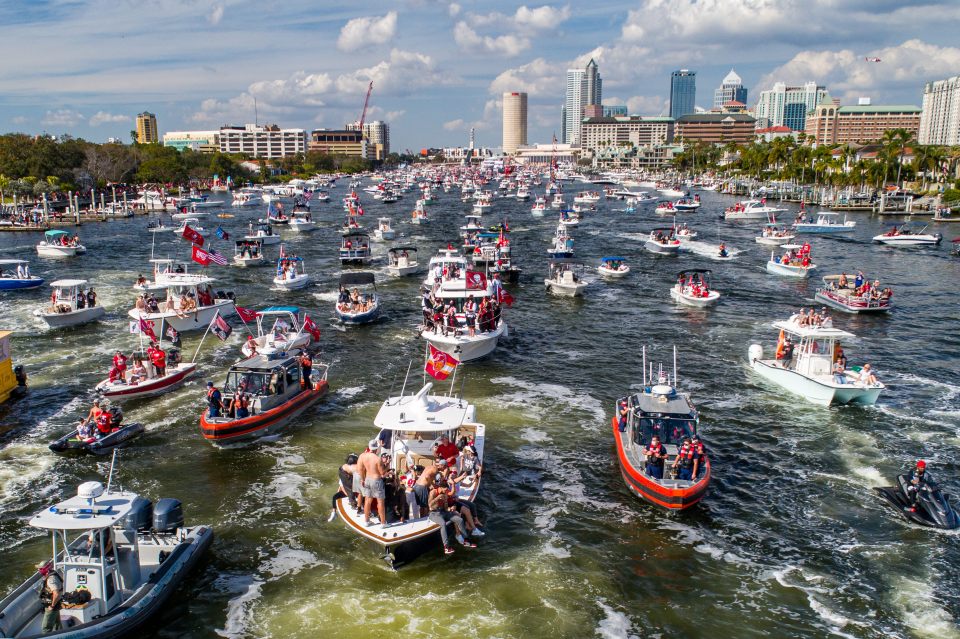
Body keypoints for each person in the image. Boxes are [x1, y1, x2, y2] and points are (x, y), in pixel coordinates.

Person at [428, 478, 473, 555]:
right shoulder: (433, 492)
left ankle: (466, 540)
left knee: (460, 520)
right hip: (434, 513)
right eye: (445, 490)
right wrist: (438, 498)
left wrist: (449, 508)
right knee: (443, 524)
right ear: (441, 488)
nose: (446, 491)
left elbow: (445, 507)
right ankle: (446, 547)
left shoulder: (445, 493)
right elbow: (430, 505)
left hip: (443, 511)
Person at [358, 439, 387, 526]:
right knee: (380, 502)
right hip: (376, 481)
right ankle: (383, 523)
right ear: (376, 448)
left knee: (367, 501)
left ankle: (367, 521)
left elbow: (360, 469)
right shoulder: (378, 459)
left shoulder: (362, 456)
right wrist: (387, 465)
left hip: (367, 479)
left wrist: (363, 479)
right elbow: (382, 473)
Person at [38, 561, 62, 633]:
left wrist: (52, 606)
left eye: (40, 568)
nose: (38, 570)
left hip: (52, 605)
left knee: (45, 628)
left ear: (45, 569)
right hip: (55, 604)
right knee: (57, 624)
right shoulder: (52, 574)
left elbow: (56, 593)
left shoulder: (51, 579)